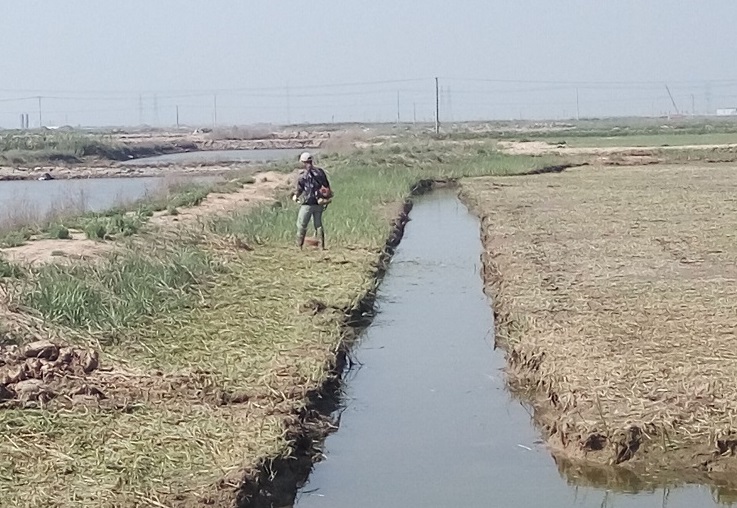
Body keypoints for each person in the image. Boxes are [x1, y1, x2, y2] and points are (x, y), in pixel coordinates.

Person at [292, 152, 332, 249]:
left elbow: (300, 189)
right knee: (318, 225)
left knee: (301, 224)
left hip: (308, 203)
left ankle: (299, 246)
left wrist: (295, 196)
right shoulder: (320, 172)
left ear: (303, 162)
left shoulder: (303, 175)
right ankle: (321, 246)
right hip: (319, 202)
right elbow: (326, 185)